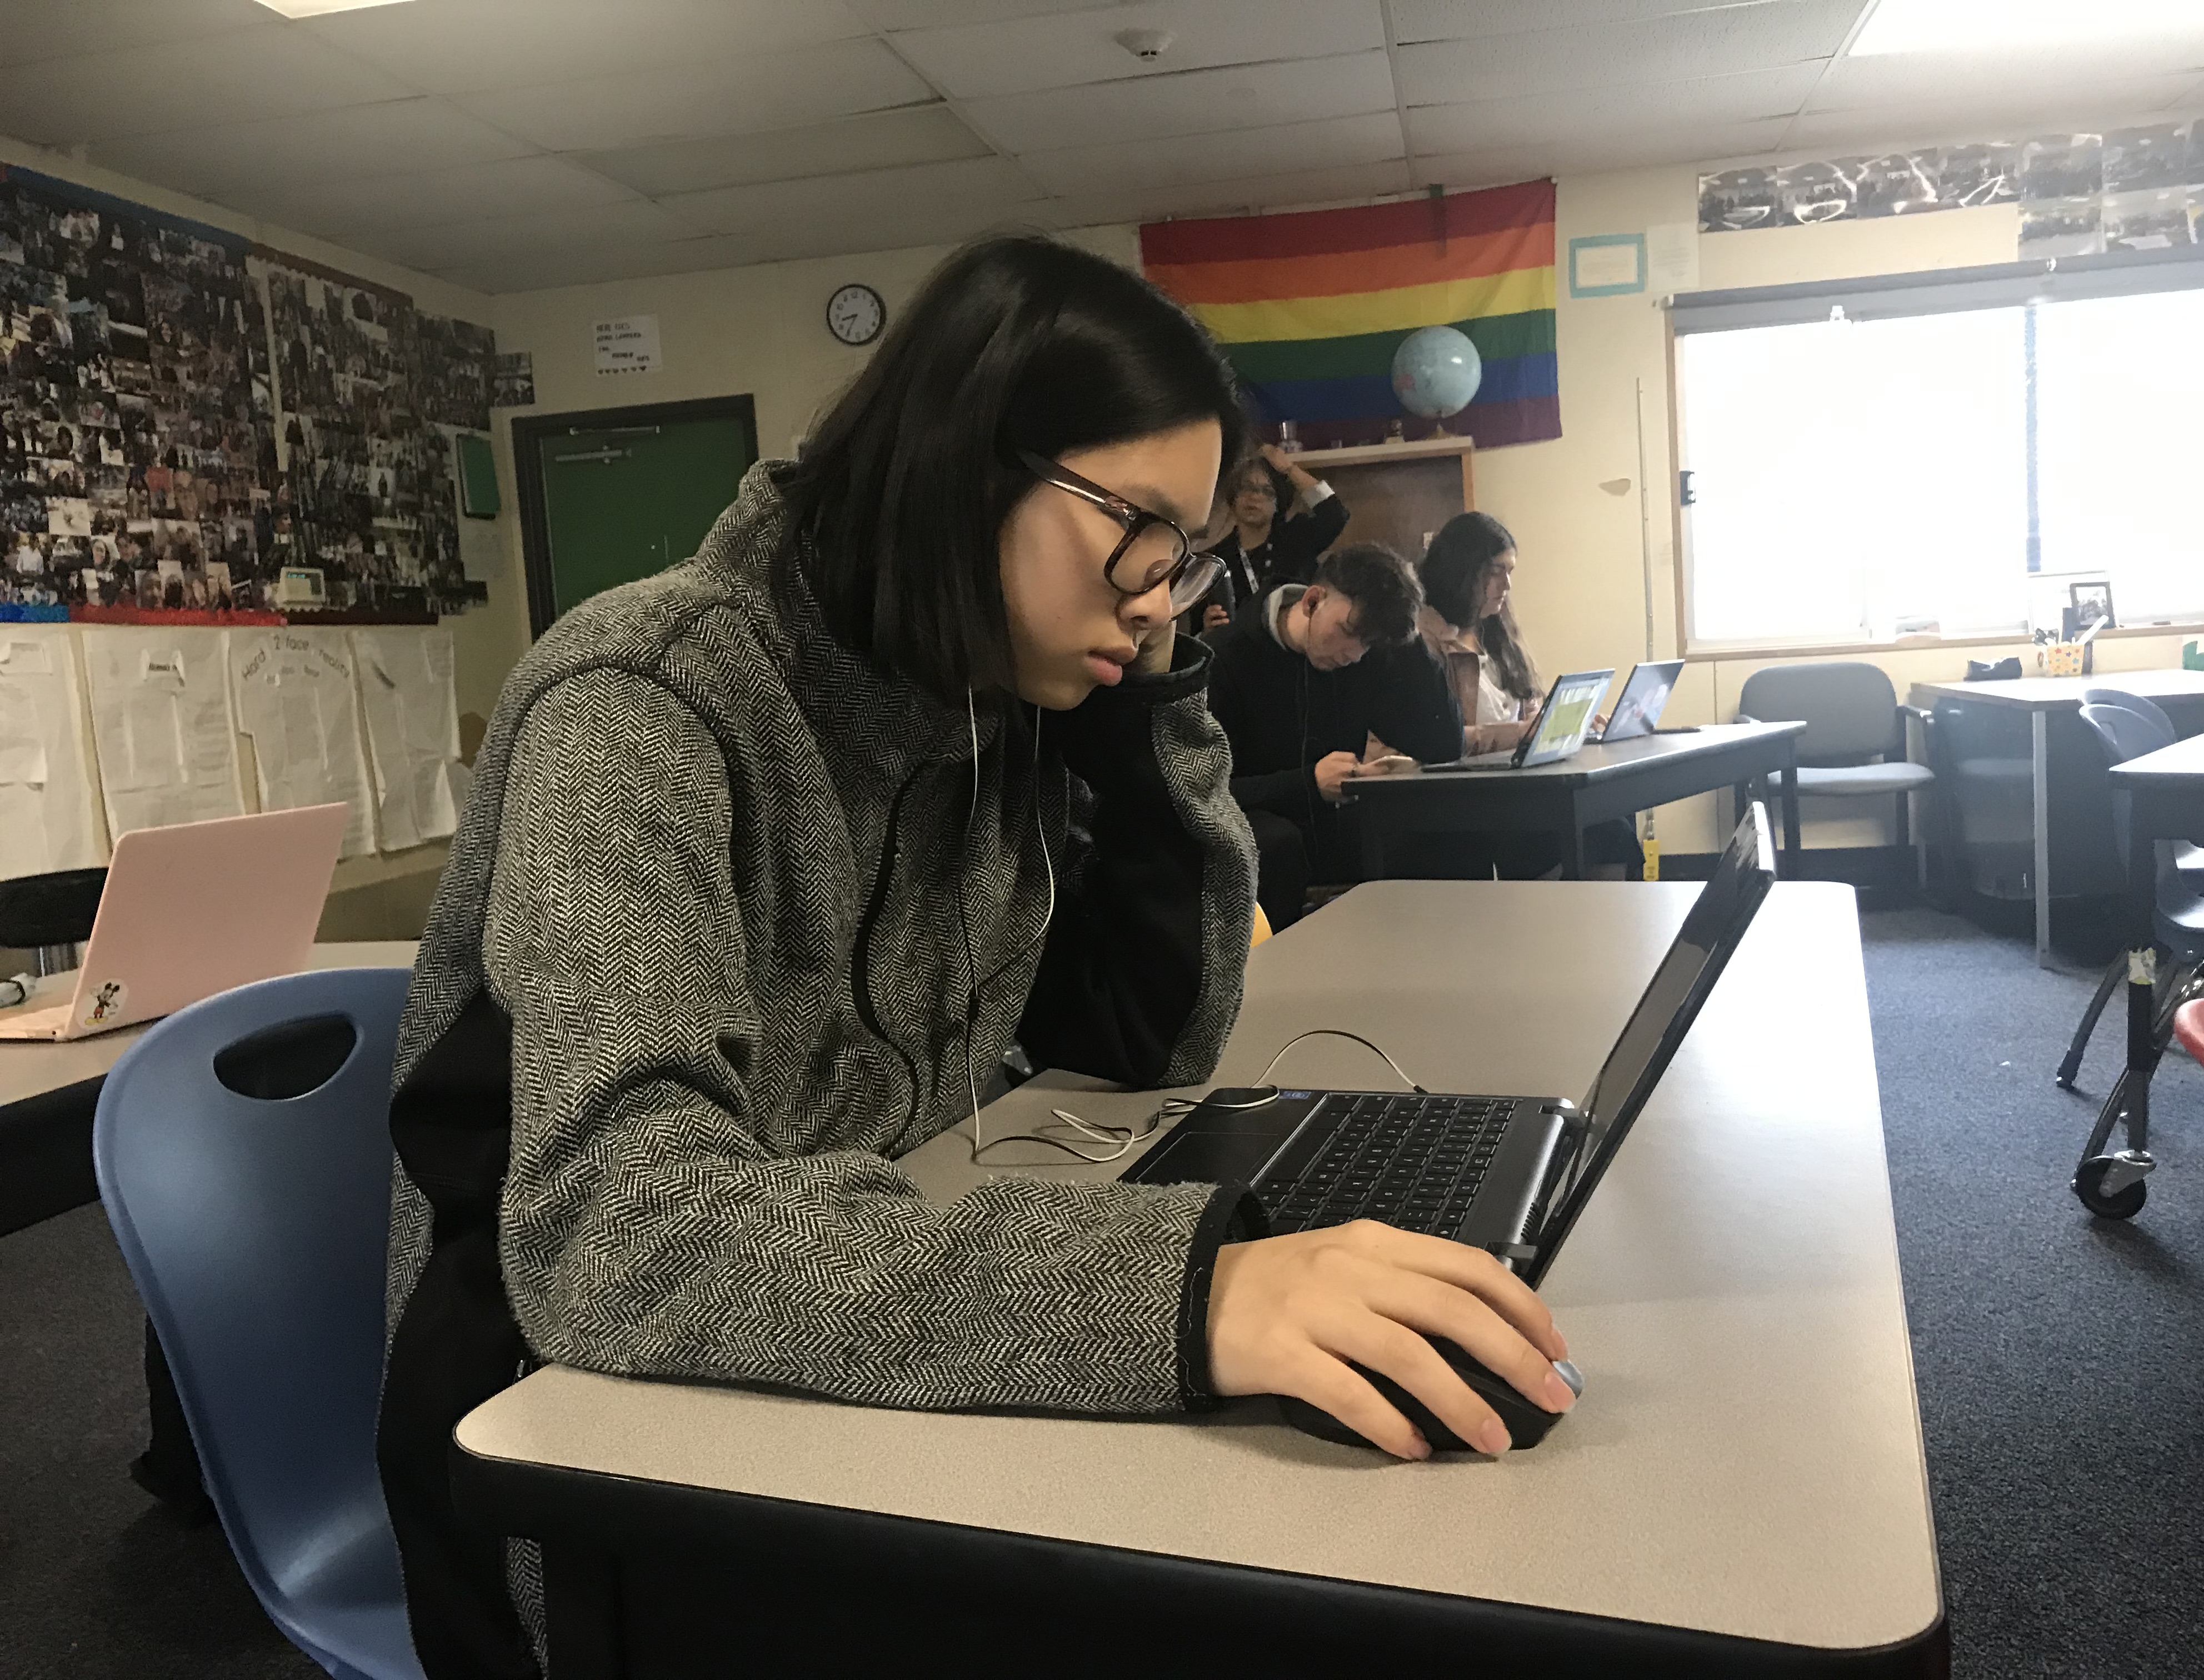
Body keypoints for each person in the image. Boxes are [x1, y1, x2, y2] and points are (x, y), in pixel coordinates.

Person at [376, 238, 1571, 1680]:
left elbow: (1143, 1047)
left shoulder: (992, 702)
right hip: (590, 1461)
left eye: (1185, 553)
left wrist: (1147, 712)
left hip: (849, 1356)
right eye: (1139, 530)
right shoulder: (643, 701)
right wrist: (1186, 1296)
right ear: (964, 468)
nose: (1162, 594)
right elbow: (617, 1235)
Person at [1207, 543, 1465, 930]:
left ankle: (1443, 954)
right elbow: (1208, 793)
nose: (1354, 655)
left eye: (1369, 643)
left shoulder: (1364, 656)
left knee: (1445, 823)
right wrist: (1309, 783)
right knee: (1277, 843)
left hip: (1334, 829)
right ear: (1313, 600)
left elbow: (1443, 744)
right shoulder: (1225, 658)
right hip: (1261, 830)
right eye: (1348, 632)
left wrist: (1408, 639)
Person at [1417, 512, 1642, 881]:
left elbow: (1531, 710)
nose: (1506, 585)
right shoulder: (1424, 641)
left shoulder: (1497, 631)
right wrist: (1523, 733)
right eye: (1495, 571)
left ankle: (1593, 913)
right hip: (1470, 803)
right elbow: (1440, 741)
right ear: (1462, 570)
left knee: (1612, 826)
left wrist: (1570, 724)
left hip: (1521, 789)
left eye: (1510, 572)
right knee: (1601, 832)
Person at [1193, 441, 1349, 633]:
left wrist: (1290, 469)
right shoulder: (1212, 561)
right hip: (1238, 649)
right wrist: (1207, 631)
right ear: (1234, 497)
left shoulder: (1297, 539)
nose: (1254, 497)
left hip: (1295, 645)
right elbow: (1195, 634)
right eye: (1246, 488)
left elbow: (1335, 514)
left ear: (1279, 503)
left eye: (1267, 491)